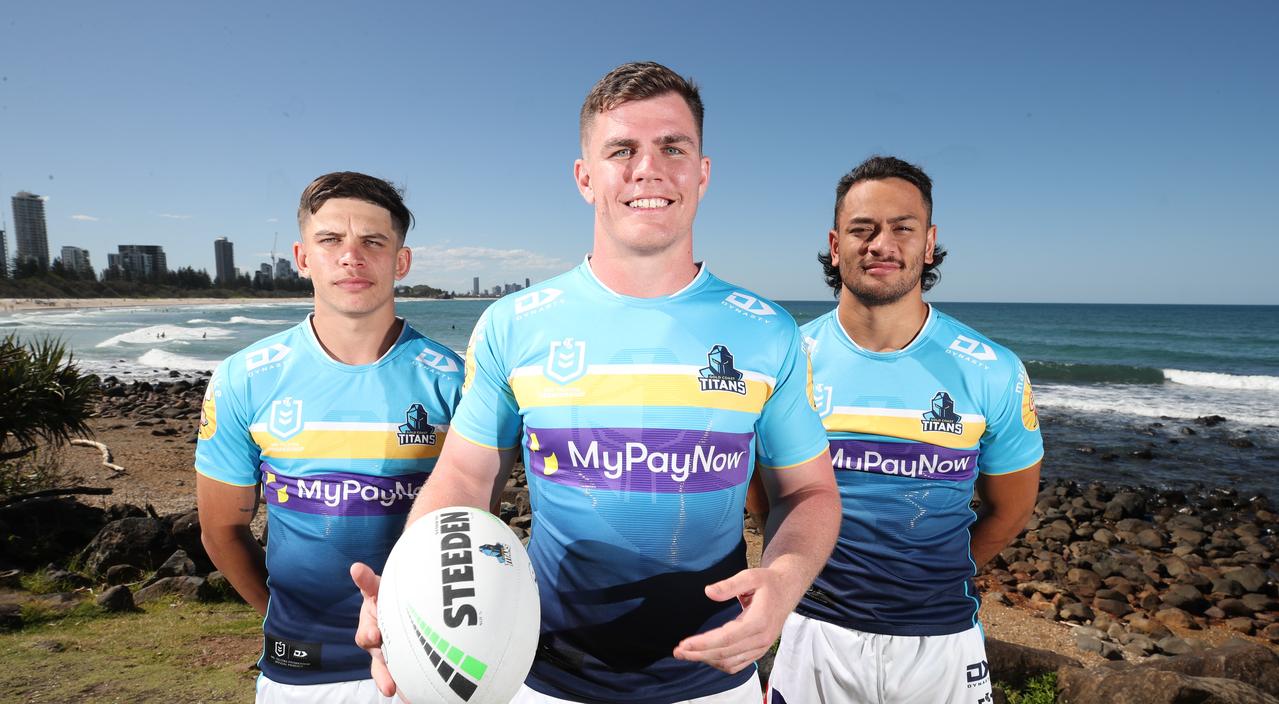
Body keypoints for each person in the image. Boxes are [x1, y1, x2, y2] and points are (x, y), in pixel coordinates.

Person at [352, 61, 841, 704]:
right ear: (586, 177)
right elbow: (467, 478)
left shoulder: (768, 332)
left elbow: (807, 491)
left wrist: (784, 577)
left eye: (673, 147)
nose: (648, 168)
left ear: (702, 172)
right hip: (543, 674)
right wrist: (413, 593)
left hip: (714, 679)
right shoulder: (513, 325)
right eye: (621, 150)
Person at [764, 156, 1044, 703]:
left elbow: (1010, 511)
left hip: (941, 644)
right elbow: (765, 497)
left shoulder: (992, 368)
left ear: (930, 241)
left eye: (902, 227)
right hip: (815, 633)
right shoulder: (788, 360)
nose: (880, 243)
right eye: (862, 229)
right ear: (835, 241)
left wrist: (926, 579)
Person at [195, 172, 464, 703]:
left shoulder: (455, 381)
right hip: (300, 669)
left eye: (373, 241)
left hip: (433, 666)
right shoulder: (244, 377)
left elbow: (473, 529)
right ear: (302, 256)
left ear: (400, 262)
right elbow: (221, 529)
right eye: (331, 240)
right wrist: (282, 616)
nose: (351, 257)